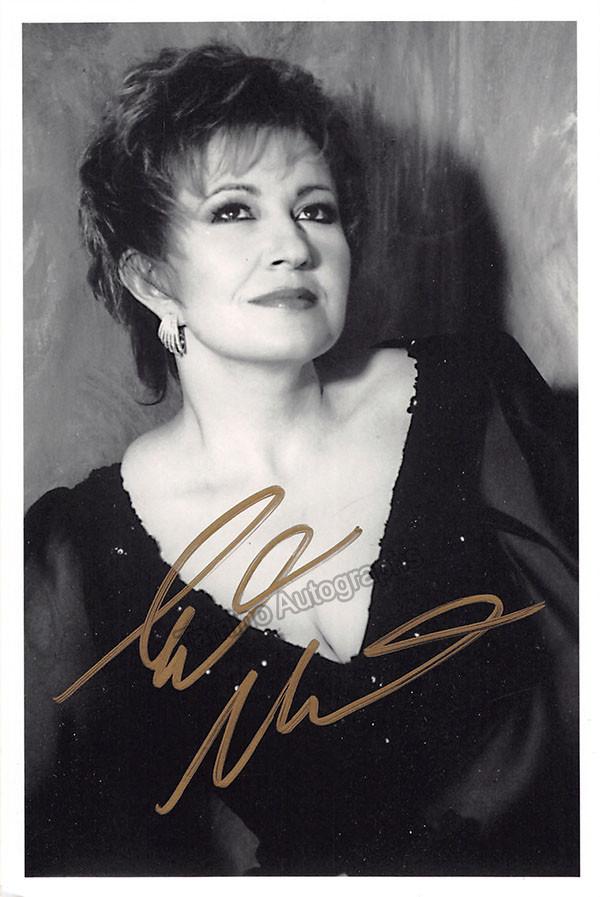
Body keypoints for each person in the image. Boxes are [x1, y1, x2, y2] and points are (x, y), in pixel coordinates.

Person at [24, 44, 578, 877]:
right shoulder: (78, 558)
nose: (293, 245)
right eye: (233, 211)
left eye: (316, 209)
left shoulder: (477, 403)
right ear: (150, 279)